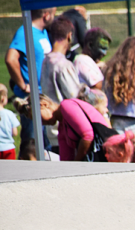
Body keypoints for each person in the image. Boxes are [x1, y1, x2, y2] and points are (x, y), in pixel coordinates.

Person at [5, 7, 56, 143]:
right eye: (54, 14)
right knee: (33, 144)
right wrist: (23, 85)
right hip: (30, 99)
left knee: (45, 144)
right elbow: (10, 59)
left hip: (43, 97)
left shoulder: (42, 32)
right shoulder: (25, 32)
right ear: (46, 15)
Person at [14, 93, 110, 162]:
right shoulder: (62, 128)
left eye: (38, 118)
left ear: (44, 104)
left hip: (110, 152)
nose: (41, 123)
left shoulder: (66, 105)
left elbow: (88, 135)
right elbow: (65, 160)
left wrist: (77, 163)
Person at [41, 16, 81, 153]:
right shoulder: (63, 65)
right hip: (66, 133)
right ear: (69, 36)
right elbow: (76, 98)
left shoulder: (45, 61)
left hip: (51, 131)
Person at [0, 84, 20, 160]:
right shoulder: (9, 114)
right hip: (8, 148)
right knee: (9, 170)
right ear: (3, 98)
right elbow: (15, 133)